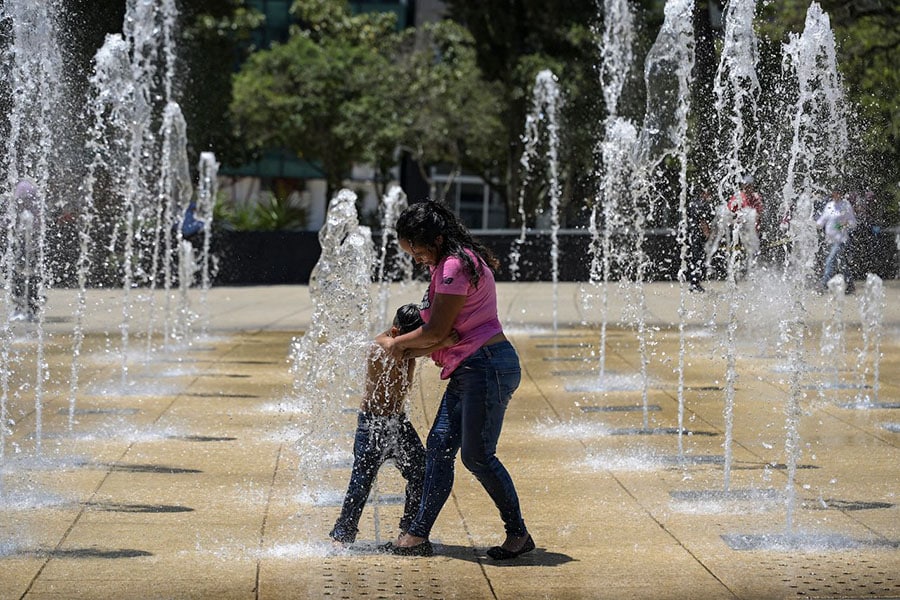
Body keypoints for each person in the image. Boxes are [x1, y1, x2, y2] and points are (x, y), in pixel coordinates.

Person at [381, 200, 534, 560]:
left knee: (478, 458)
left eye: (417, 251)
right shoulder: (450, 262)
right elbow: (443, 338)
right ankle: (417, 535)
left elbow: (436, 330)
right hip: (472, 367)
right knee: (438, 447)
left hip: (487, 367)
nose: (417, 259)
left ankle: (518, 534)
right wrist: (407, 349)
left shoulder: (454, 266)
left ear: (436, 240)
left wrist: (394, 344)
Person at [329, 304, 457, 546]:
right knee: (361, 481)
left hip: (398, 424)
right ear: (397, 331)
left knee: (421, 473)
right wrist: (441, 343)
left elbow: (410, 352)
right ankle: (342, 536)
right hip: (372, 425)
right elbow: (396, 350)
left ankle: (408, 530)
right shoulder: (381, 345)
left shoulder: (406, 347)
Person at [816, 188, 857, 293]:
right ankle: (850, 285)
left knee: (830, 261)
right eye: (834, 193)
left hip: (841, 240)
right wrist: (813, 225)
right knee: (842, 264)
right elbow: (822, 220)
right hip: (829, 240)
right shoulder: (829, 206)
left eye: (838, 193)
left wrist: (845, 224)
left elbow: (853, 223)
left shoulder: (846, 206)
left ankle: (823, 285)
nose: (836, 195)